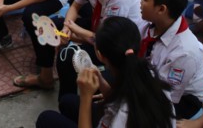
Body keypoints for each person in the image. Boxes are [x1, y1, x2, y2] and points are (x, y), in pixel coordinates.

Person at [37, 17, 175, 128]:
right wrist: (101, 82)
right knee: (67, 102)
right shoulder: (146, 73)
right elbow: (121, 98)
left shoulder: (121, 118)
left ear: (99, 55)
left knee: (46, 118)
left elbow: (121, 108)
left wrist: (86, 96)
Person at [54, 0, 142, 100]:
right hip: (101, 25)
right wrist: (67, 27)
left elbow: (106, 40)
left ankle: (71, 101)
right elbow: (75, 5)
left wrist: (74, 32)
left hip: (118, 45)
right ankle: (57, 87)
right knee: (55, 25)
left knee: (66, 55)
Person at [140, 0, 203, 119]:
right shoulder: (152, 25)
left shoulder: (184, 52)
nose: (140, 3)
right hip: (152, 81)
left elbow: (166, 96)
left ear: (161, 9)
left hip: (182, 100)